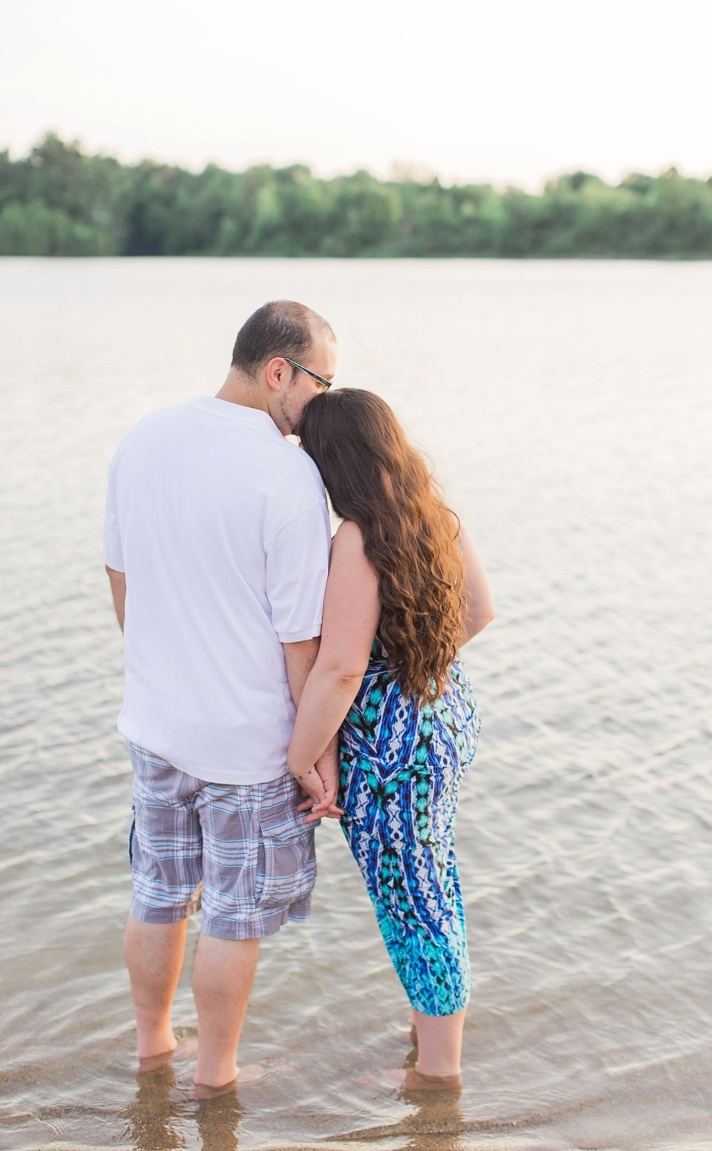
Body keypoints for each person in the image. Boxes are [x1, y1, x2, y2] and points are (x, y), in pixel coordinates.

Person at [104, 299, 341, 1096]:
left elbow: (119, 572)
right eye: (322, 383)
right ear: (280, 371)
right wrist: (315, 755)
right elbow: (299, 639)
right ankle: (215, 1079)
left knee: (159, 890)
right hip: (246, 742)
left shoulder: (143, 438)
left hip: (155, 723)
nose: (325, 403)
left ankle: (151, 1050)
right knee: (233, 916)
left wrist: (156, 668)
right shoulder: (288, 472)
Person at [287, 388, 494, 1089]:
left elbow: (342, 666)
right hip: (444, 716)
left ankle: (439, 1076)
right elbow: (480, 609)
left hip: (395, 749)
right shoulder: (431, 510)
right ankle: (428, 1036)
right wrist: (418, 662)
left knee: (413, 895)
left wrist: (300, 753)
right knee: (432, 878)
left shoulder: (357, 533)